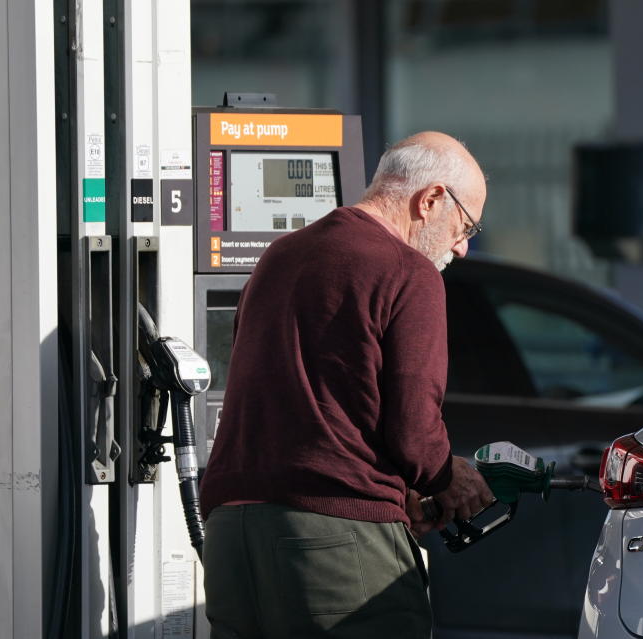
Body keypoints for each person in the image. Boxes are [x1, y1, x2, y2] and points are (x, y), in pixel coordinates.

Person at [199, 131, 495, 639]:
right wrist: (449, 479)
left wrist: (401, 489)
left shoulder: (279, 257)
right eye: (466, 225)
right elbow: (413, 429)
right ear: (431, 201)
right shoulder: (409, 272)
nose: (463, 247)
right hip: (332, 540)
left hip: (232, 537)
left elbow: (315, 402)